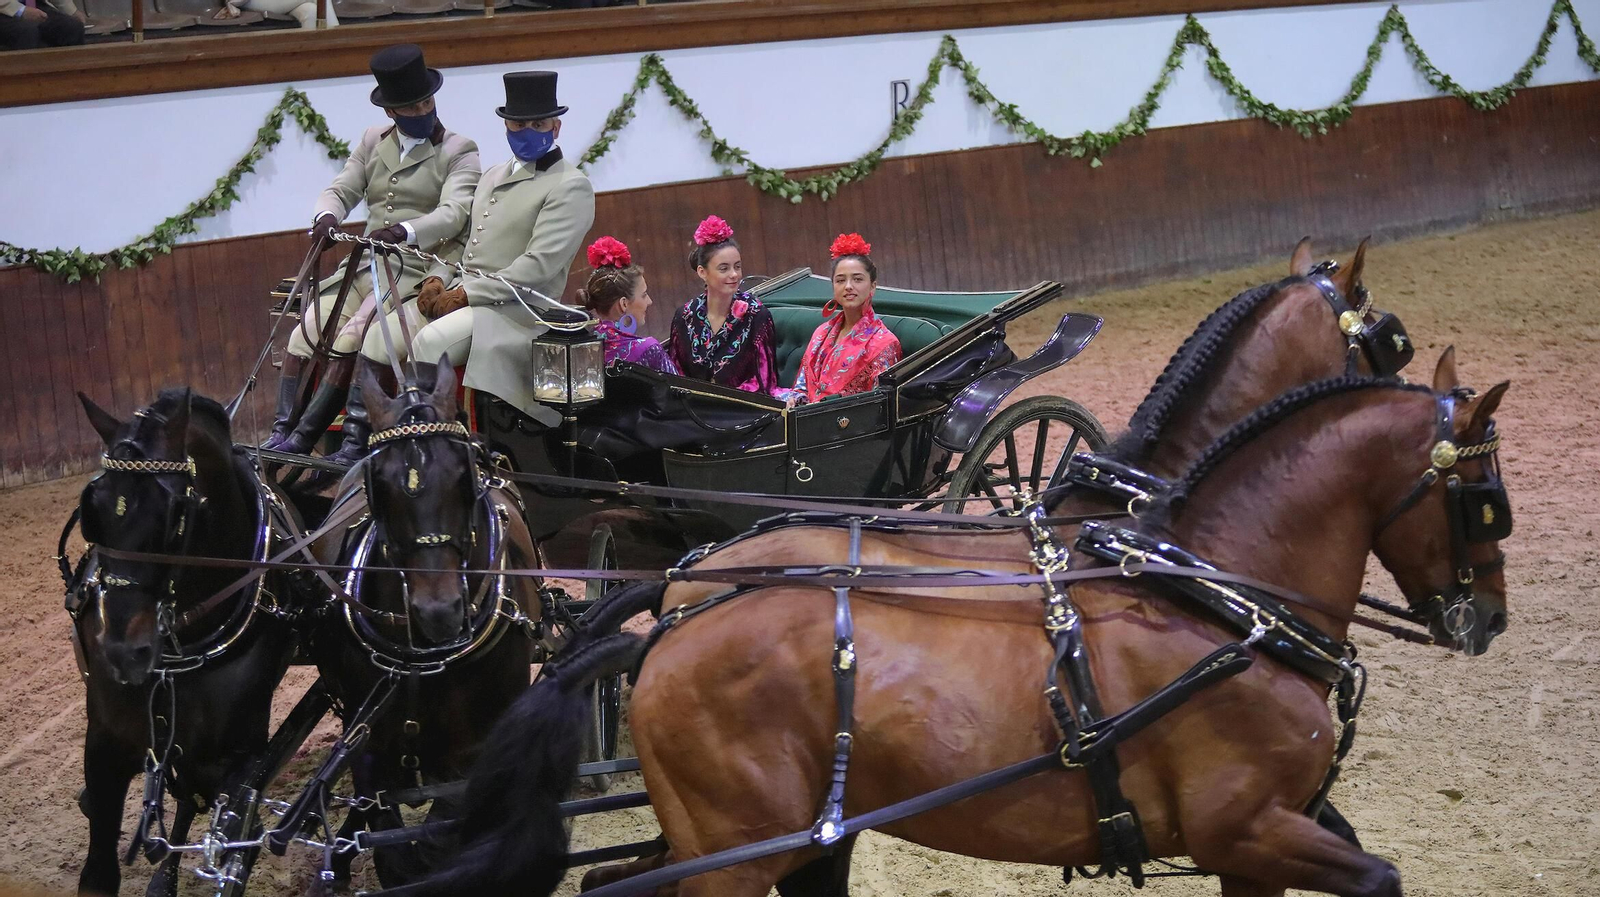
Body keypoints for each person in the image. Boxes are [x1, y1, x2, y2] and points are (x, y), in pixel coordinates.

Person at [329, 70, 594, 463]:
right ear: (506, 124)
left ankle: (427, 448)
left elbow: (538, 266)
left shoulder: (570, 185)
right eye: (519, 123)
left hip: (517, 310)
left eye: (538, 124)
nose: (527, 131)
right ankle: (355, 443)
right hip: (465, 297)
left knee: (430, 342)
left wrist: (467, 293)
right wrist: (439, 279)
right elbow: (465, 245)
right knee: (378, 337)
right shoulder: (490, 176)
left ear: (556, 127)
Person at [263, 44, 478, 454]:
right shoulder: (372, 140)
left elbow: (453, 214)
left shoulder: (459, 150)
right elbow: (341, 189)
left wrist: (405, 231)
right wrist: (326, 215)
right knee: (303, 334)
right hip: (365, 269)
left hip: (418, 273)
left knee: (357, 339)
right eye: (411, 107)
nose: (423, 111)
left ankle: (349, 440)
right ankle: (282, 431)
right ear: (390, 112)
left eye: (427, 102)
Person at [781, 233, 901, 407]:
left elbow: (878, 405)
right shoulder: (821, 332)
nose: (848, 286)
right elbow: (802, 388)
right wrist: (794, 400)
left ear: (873, 286)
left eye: (857, 279)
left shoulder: (885, 343)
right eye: (840, 280)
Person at [666, 216, 779, 395]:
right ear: (702, 272)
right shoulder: (685, 316)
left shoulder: (757, 314)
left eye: (738, 267)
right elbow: (676, 374)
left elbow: (764, 380)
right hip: (694, 408)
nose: (734, 274)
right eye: (724, 268)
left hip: (743, 409)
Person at [580, 236, 679, 374]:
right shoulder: (649, 349)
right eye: (644, 295)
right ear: (624, 304)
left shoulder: (581, 348)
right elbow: (679, 393)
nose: (649, 301)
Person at [0, 0, 85, 50]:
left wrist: (72, 11)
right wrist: (20, 10)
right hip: (4, 9)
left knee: (72, 27)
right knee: (27, 31)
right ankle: (28, 78)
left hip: (33, 5)